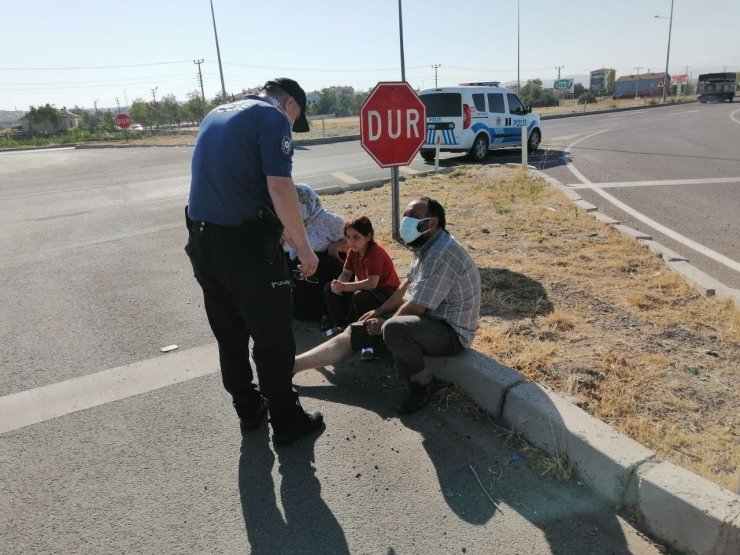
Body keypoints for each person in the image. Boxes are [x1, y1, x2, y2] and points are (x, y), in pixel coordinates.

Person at [185, 77, 324, 447]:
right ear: (291, 105)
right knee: (273, 337)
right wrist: (304, 247)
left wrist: (271, 222)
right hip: (245, 251)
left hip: (203, 241)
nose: (293, 127)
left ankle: (249, 410)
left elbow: (229, 181)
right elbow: (280, 185)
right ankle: (287, 420)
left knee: (229, 335)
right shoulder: (272, 115)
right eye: (297, 120)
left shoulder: (216, 113)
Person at [294, 196, 481, 414]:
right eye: (405, 216)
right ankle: (293, 365)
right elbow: (406, 285)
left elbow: (416, 307)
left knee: (392, 328)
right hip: (429, 318)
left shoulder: (441, 253)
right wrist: (380, 311)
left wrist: (384, 322)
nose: (406, 221)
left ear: (433, 222)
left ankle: (422, 381)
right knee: (359, 328)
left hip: (450, 331)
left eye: (413, 217)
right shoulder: (426, 246)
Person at [323, 216, 401, 332]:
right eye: (348, 237)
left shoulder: (375, 253)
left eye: (356, 237)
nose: (351, 241)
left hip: (387, 295)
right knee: (330, 289)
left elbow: (371, 284)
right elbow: (346, 274)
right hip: (369, 292)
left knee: (360, 296)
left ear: (368, 236)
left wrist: (345, 287)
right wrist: (338, 285)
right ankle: (341, 325)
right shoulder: (353, 251)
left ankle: (361, 330)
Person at [285, 184, 347, 322]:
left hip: (325, 275)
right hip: (302, 278)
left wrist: (335, 246)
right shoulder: (287, 223)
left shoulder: (330, 220)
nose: (295, 211)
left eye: (298, 205)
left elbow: (355, 243)